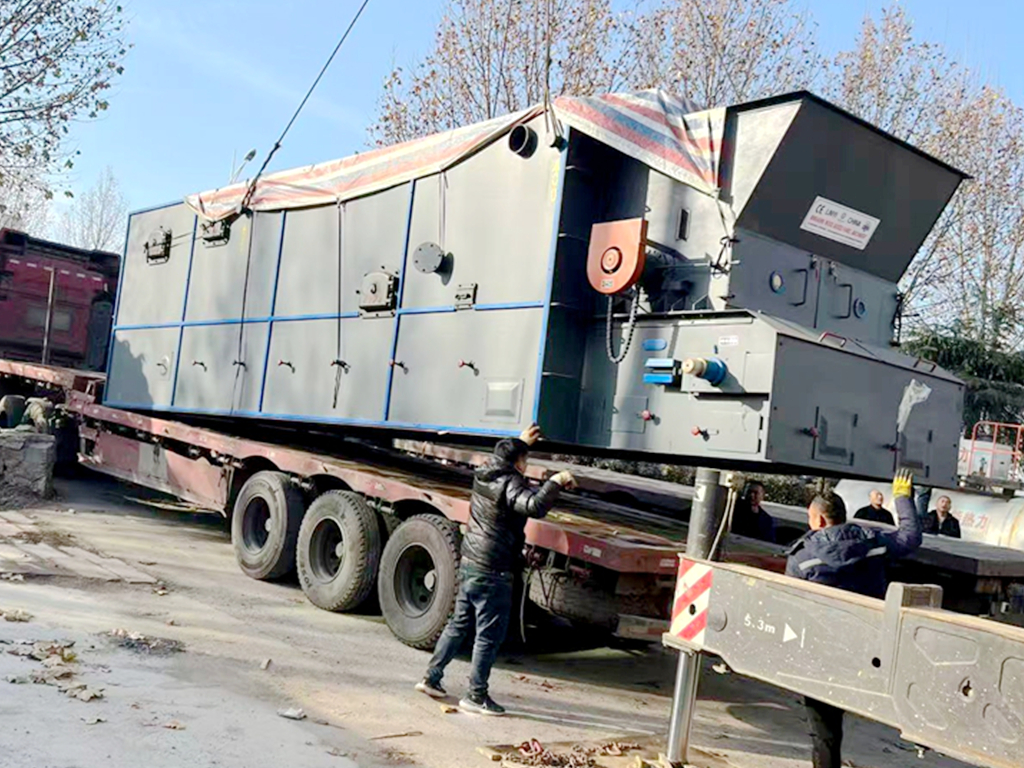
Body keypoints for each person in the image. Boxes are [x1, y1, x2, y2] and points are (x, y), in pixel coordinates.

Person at [415, 425, 576, 716]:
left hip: (471, 563)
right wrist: (556, 482)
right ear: (517, 462)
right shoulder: (510, 482)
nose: (526, 466)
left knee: (459, 624)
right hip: (494, 569)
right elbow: (533, 505)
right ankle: (476, 695)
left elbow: (503, 457)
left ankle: (431, 678)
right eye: (524, 460)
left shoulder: (486, 473)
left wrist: (520, 443)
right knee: (488, 635)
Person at [785, 470, 922, 768]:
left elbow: (791, 605)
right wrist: (902, 498)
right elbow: (910, 538)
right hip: (866, 647)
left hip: (821, 651)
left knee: (824, 729)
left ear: (819, 520)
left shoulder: (802, 558)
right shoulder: (873, 542)